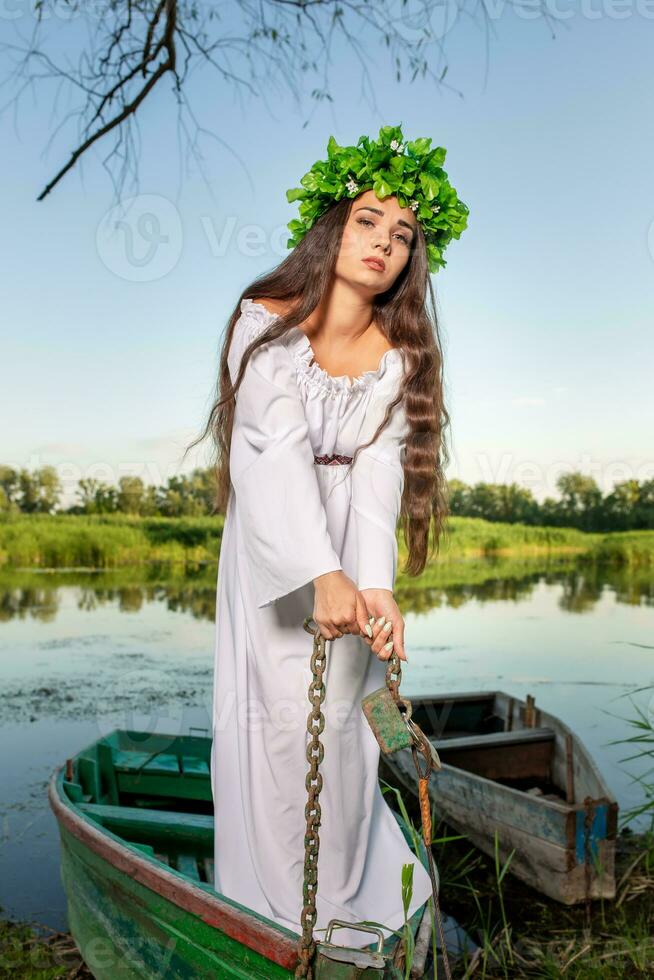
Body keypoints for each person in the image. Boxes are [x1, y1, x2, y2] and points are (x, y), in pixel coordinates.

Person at [187, 124, 469, 950]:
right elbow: (270, 455)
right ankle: (273, 914)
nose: (385, 243)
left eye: (404, 234)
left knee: (340, 723)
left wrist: (371, 582)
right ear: (333, 225)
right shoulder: (264, 322)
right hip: (278, 546)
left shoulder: (399, 357)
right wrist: (318, 572)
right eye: (369, 222)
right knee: (275, 718)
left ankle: (353, 907)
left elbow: (380, 475)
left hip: (347, 537)